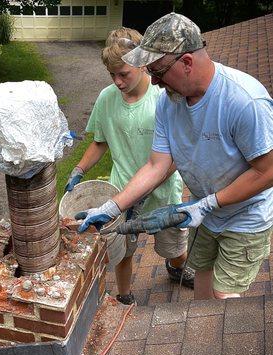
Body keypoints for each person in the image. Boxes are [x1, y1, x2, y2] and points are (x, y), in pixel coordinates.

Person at [75, 13, 273, 300]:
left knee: (222, 299)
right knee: (202, 291)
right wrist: (112, 206)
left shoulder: (244, 101)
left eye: (158, 72)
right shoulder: (170, 103)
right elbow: (158, 164)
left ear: (187, 63)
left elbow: (267, 171)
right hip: (206, 215)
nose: (154, 82)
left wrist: (207, 203)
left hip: (245, 216)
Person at [65, 27, 191, 305]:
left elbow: (176, 154)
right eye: (112, 75)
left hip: (163, 193)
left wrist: (147, 188)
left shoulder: (164, 99)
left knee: (173, 246)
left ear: (143, 65)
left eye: (124, 74)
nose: (117, 82)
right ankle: (124, 295)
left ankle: (177, 266)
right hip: (121, 194)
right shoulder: (106, 99)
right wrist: (79, 170)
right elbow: (100, 142)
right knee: (123, 251)